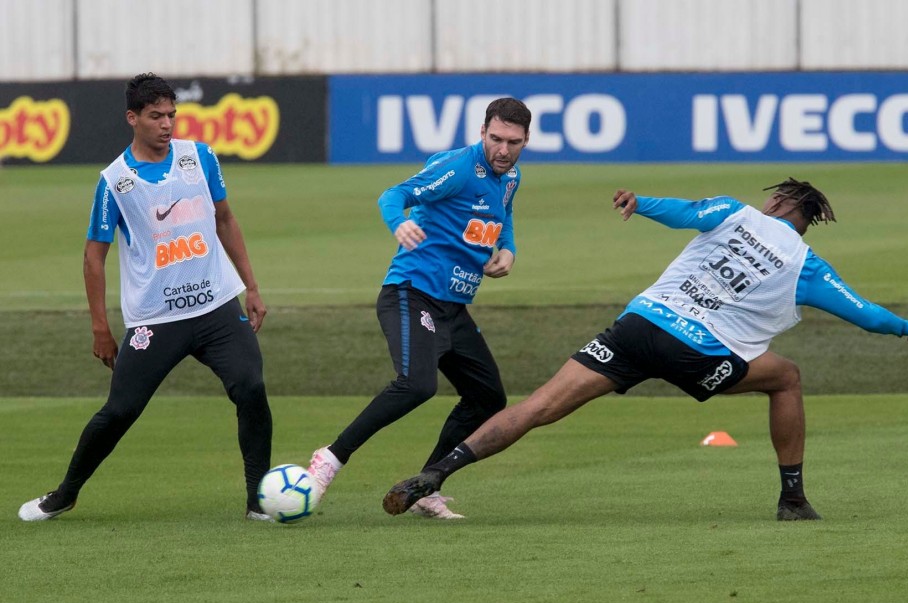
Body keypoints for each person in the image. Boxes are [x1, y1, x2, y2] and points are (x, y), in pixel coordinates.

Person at [382, 178, 908, 521]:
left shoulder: (734, 212)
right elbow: (861, 311)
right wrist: (902, 325)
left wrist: (640, 203)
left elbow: (683, 210)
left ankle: (436, 473)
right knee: (785, 377)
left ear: (780, 200)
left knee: (537, 407)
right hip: (700, 354)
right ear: (808, 222)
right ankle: (792, 499)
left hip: (639, 327)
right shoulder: (808, 264)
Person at [18, 73, 274, 522]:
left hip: (216, 306)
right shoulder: (114, 182)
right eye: (156, 116)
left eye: (172, 115)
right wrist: (100, 326)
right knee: (120, 411)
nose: (167, 124)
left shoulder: (201, 157)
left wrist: (250, 287)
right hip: (156, 319)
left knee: (251, 387)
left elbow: (226, 219)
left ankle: (258, 500)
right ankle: (64, 494)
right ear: (132, 118)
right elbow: (93, 257)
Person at [306, 97, 532, 519]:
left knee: (487, 396)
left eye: (513, 142)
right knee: (416, 384)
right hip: (411, 292)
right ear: (482, 133)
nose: (503, 150)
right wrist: (400, 222)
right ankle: (331, 458)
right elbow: (395, 194)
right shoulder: (459, 168)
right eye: (496, 139)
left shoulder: (511, 176)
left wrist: (509, 249)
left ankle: (428, 485)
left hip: (453, 306)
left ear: (526, 140)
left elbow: (507, 215)